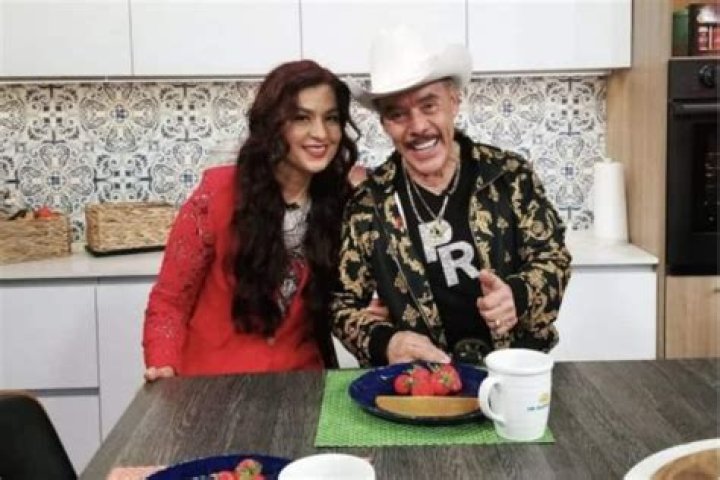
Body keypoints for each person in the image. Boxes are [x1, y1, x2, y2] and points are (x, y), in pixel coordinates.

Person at [331, 26, 572, 367]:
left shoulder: (509, 176)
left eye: (429, 105)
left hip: (513, 371)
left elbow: (553, 258)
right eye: (398, 114)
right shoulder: (368, 204)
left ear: (454, 102)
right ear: (384, 124)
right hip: (419, 382)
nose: (418, 127)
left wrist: (517, 296)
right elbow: (342, 304)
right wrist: (386, 341)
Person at [143, 60, 377, 380]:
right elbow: (170, 302)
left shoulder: (341, 203)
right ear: (273, 124)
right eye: (302, 118)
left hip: (301, 383)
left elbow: (344, 297)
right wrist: (163, 364)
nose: (321, 133)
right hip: (210, 385)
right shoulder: (215, 195)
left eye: (331, 118)